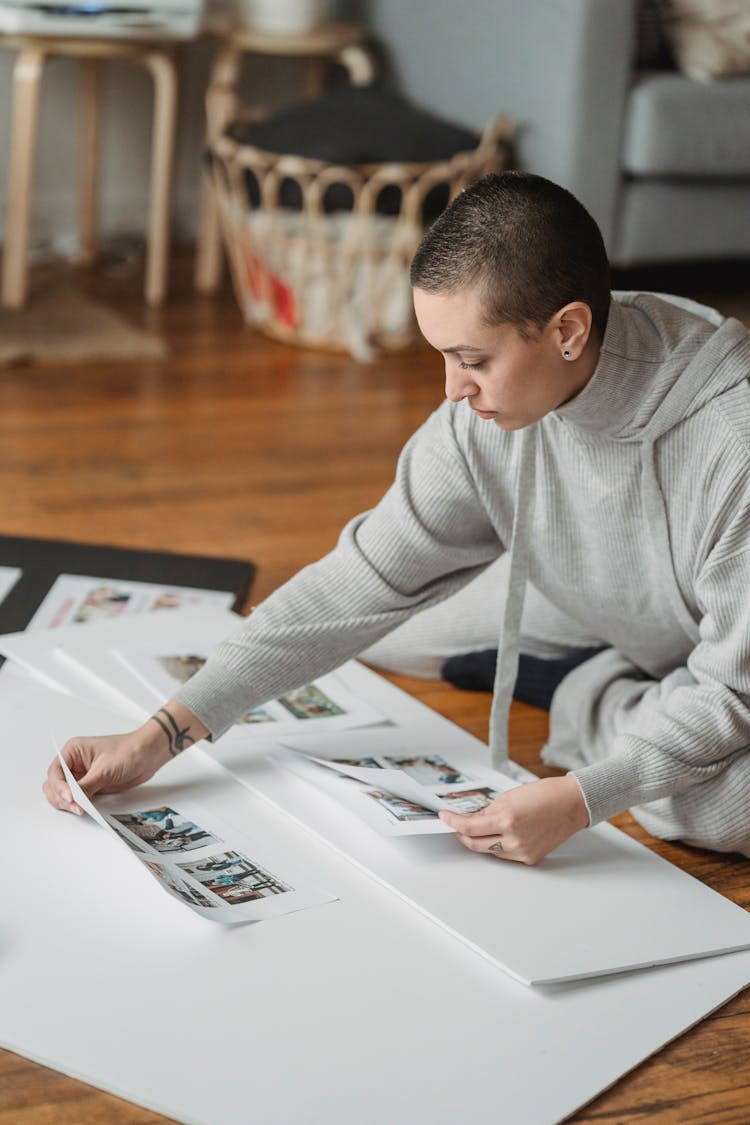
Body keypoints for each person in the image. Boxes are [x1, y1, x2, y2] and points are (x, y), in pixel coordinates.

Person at [44, 171, 750, 864]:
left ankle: (593, 697)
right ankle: (626, 694)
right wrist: (158, 734)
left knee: (722, 804)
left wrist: (582, 795)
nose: (450, 390)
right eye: (442, 355)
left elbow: (735, 690)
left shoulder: (730, 434)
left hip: (730, 655)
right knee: (375, 632)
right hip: (608, 594)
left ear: (568, 329)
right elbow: (360, 580)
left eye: (472, 358)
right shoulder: (483, 412)